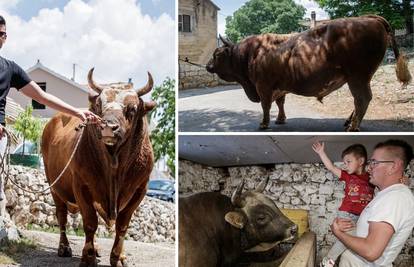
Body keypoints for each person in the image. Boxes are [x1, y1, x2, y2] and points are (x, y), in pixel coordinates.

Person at [0, 15, 100, 216]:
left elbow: (42, 96)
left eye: (2, 34)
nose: (0, 38)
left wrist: (77, 112)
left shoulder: (10, 68)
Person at [331, 139, 414, 267]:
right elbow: (371, 233)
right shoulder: (388, 195)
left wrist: (338, 233)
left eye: (374, 162)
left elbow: (371, 251)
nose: (369, 168)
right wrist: (351, 227)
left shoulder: (394, 198)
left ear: (393, 166)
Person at [312, 141, 375, 267]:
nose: (345, 165)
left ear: (361, 161)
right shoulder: (348, 176)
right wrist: (321, 152)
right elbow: (331, 167)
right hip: (347, 213)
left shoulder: (371, 178)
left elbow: (386, 181)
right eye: (344, 163)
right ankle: (328, 261)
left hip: (362, 217)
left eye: (348, 162)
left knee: (351, 241)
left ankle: (331, 261)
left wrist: (402, 180)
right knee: (348, 238)